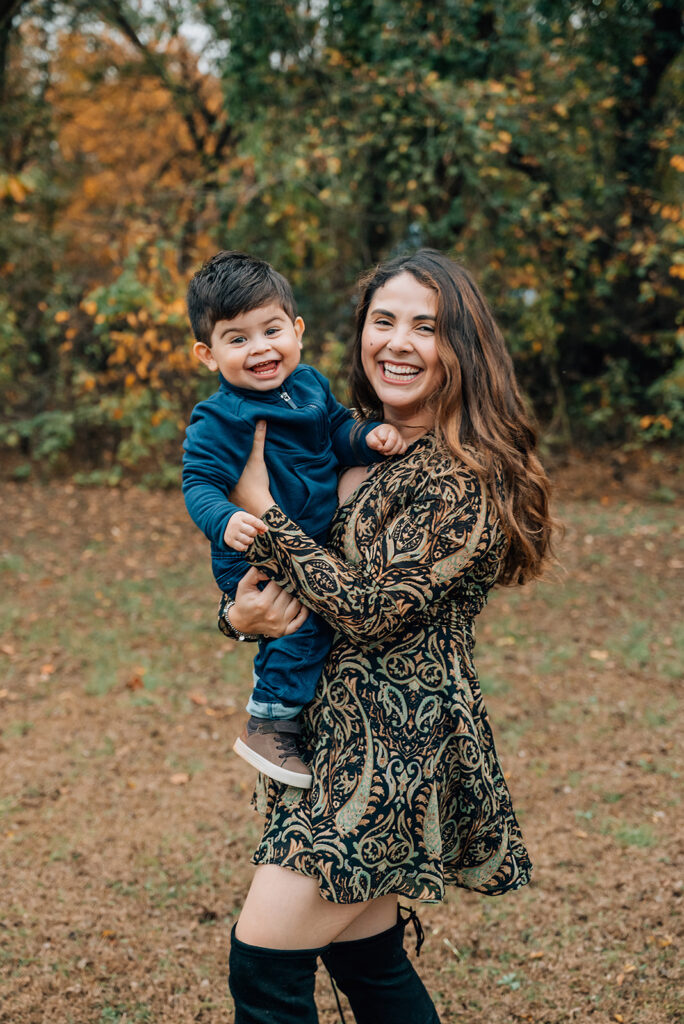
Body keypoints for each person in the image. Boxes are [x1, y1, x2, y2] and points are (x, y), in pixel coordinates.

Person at [222, 249, 554, 1023]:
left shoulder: (466, 474)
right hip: (319, 739)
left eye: (425, 326)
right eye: (383, 320)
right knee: (366, 964)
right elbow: (284, 586)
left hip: (395, 752)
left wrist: (263, 513)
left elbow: (371, 609)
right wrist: (239, 619)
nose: (398, 342)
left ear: (460, 346)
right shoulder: (344, 442)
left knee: (264, 963)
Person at [182, 251, 406, 789]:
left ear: (297, 330)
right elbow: (199, 482)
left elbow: (334, 431)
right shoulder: (220, 417)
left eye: (271, 330)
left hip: (303, 541)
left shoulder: (307, 386)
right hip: (255, 548)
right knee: (301, 628)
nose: (259, 348)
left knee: (304, 626)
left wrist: (365, 438)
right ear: (207, 355)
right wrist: (225, 517)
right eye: (236, 339)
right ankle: (269, 721)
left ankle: (286, 711)